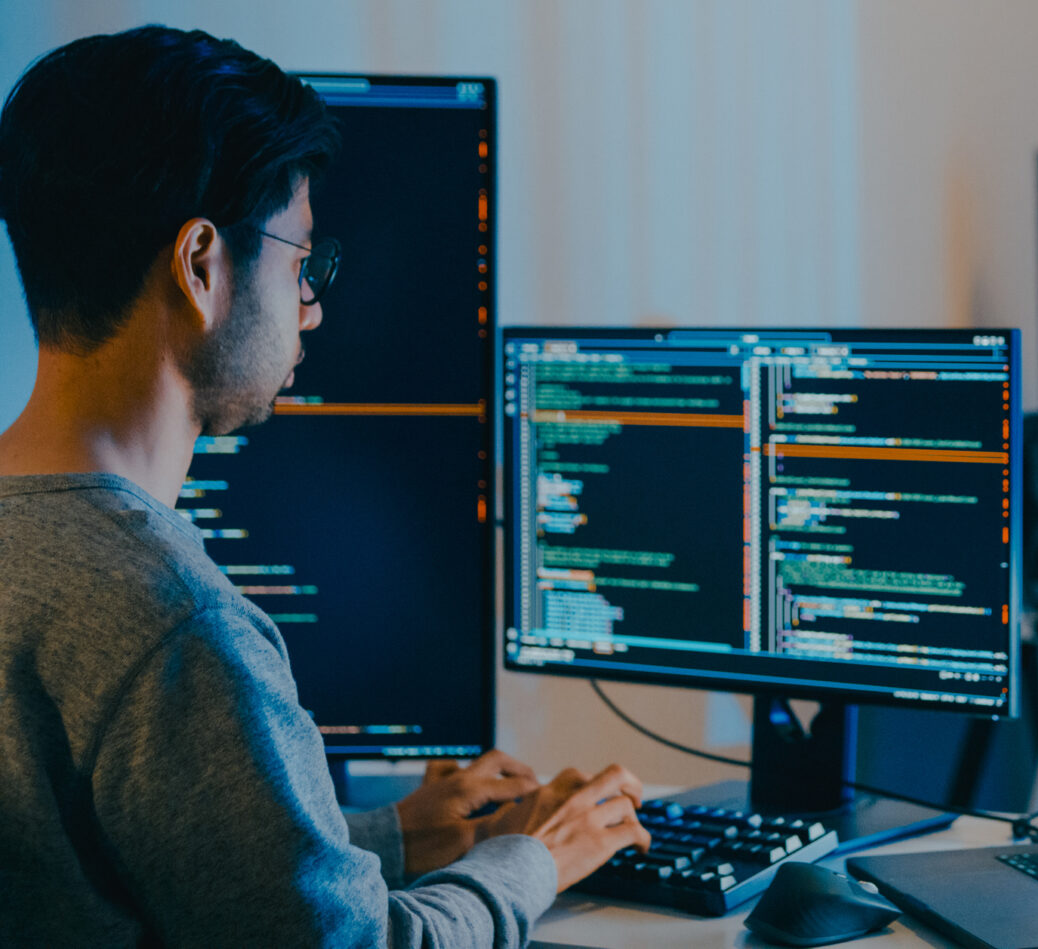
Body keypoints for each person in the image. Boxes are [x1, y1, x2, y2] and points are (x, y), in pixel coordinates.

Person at [0, 26, 649, 948]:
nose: (311, 308)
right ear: (200, 266)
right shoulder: (175, 626)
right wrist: (538, 854)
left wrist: (388, 835)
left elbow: (131, 868)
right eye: (301, 263)